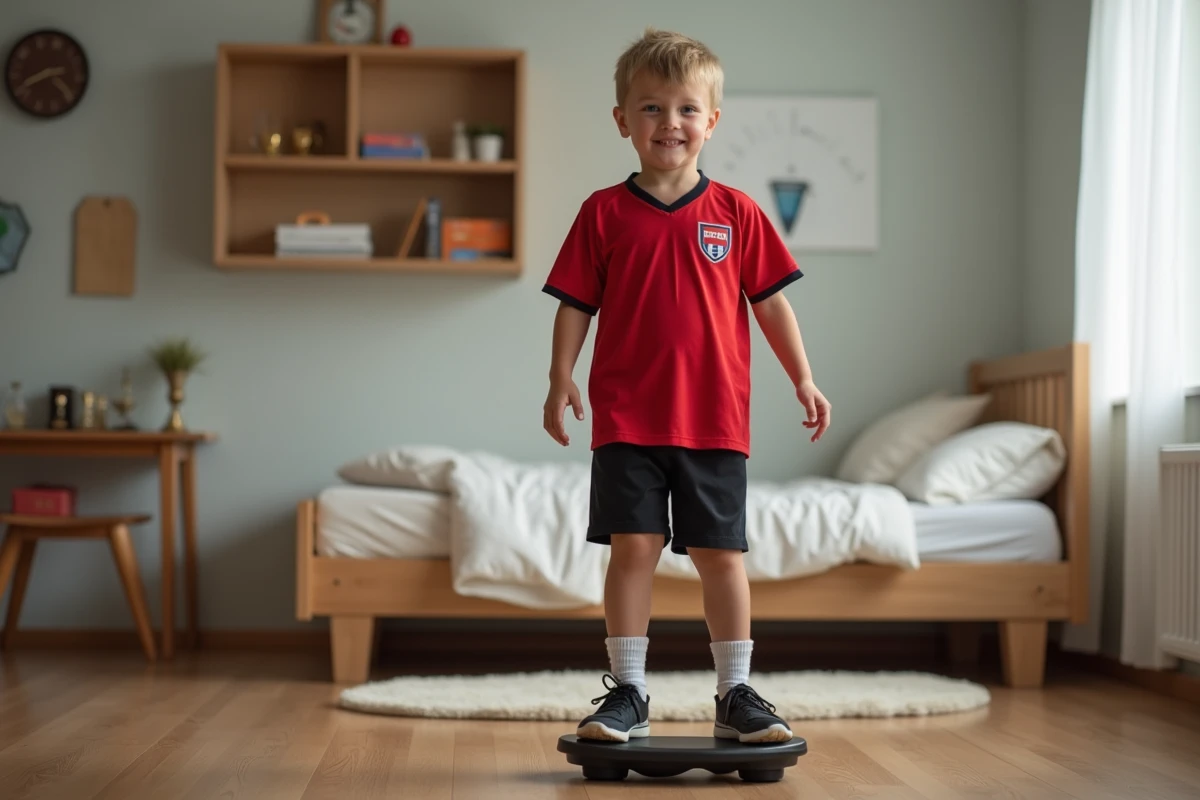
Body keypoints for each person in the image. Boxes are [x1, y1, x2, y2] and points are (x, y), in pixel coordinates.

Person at [541, 27, 831, 745]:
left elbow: (771, 303)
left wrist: (803, 377)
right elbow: (575, 303)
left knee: (719, 556)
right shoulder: (602, 213)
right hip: (626, 420)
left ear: (711, 120)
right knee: (633, 549)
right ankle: (628, 694)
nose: (669, 123)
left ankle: (735, 694)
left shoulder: (736, 214)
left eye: (685, 109)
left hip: (714, 419)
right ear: (622, 121)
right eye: (650, 108)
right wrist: (559, 379)